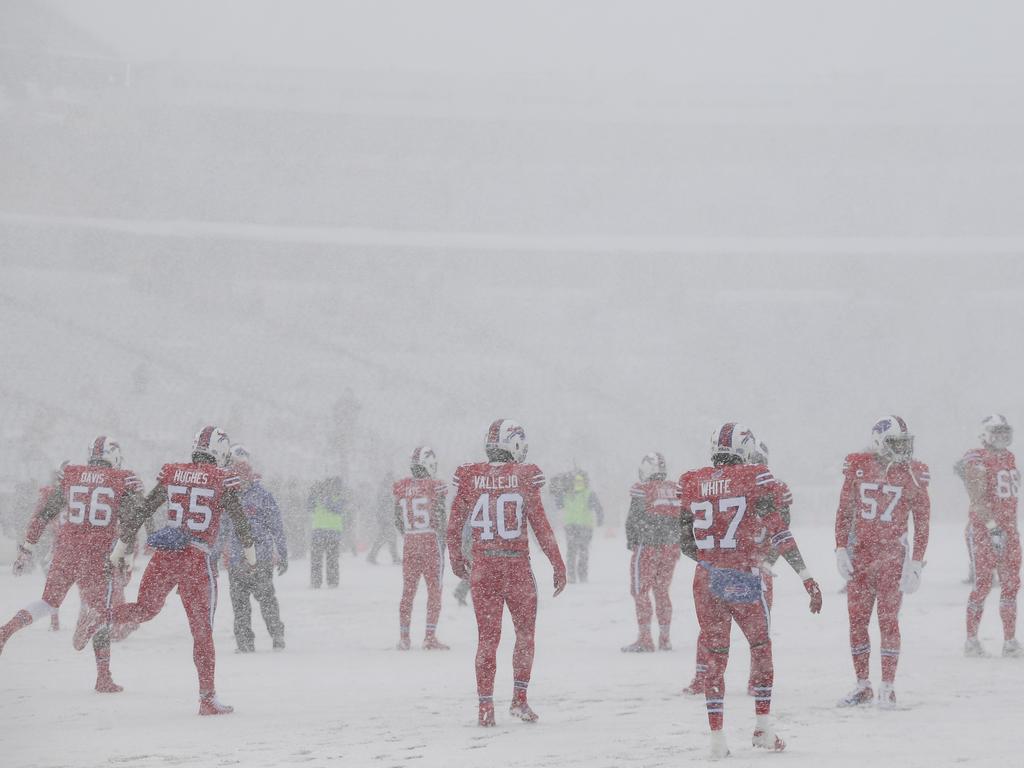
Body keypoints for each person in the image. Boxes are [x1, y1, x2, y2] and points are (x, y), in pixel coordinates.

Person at [82, 426, 256, 715]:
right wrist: (250, 554)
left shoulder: (174, 473)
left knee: (146, 608)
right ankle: (207, 698)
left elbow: (144, 510)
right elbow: (239, 520)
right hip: (196, 558)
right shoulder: (222, 479)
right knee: (202, 633)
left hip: (165, 554)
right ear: (221, 450)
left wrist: (122, 544)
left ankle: (102, 616)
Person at [679, 423, 822, 758]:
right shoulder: (754, 478)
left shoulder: (693, 481)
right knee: (760, 647)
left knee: (715, 657)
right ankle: (763, 727)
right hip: (744, 575)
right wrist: (806, 576)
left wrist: (713, 560)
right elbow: (779, 532)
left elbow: (686, 541)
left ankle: (717, 741)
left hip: (706, 578)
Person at [447, 419, 567, 726]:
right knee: (525, 635)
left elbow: (454, 525)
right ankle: (519, 699)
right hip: (516, 567)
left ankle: (485, 708)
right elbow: (540, 525)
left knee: (487, 639)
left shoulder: (470, 476)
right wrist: (556, 561)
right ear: (513, 443)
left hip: (484, 567)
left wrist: (456, 557)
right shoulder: (523, 476)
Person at [0, 437, 143, 693]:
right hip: (98, 554)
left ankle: (7, 629)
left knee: (48, 603)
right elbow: (131, 524)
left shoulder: (72, 475)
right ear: (115, 456)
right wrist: (128, 558)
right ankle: (103, 677)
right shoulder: (121, 479)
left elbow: (44, 514)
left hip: (66, 550)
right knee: (101, 612)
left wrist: (27, 549)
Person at [683, 438, 795, 696]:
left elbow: (781, 528)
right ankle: (705, 676)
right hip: (732, 562)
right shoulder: (731, 487)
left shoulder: (770, 488)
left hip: (755, 565)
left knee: (758, 630)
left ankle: (756, 681)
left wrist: (768, 560)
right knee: (715, 628)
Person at [834, 415, 930, 709]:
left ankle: (887, 686)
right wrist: (840, 547)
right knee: (857, 623)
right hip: (862, 556)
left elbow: (923, 520)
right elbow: (845, 511)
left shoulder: (912, 473)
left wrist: (916, 561)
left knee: (888, 622)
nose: (902, 448)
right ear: (878, 442)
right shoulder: (858, 466)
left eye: (904, 442)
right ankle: (862, 684)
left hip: (892, 558)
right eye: (895, 442)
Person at [955, 414, 1021, 657]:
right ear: (984, 434)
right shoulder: (977, 458)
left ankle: (1010, 640)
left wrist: (1006, 528)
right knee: (982, 585)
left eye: (1005, 431)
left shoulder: (1008, 457)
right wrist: (993, 527)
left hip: (1009, 529)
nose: (1002, 436)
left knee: (1012, 585)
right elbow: (978, 499)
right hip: (984, 530)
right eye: (996, 431)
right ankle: (971, 640)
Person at [218, 445, 288, 653]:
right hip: (236, 560)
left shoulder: (262, 496)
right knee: (239, 605)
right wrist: (212, 557)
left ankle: (277, 635)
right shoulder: (227, 497)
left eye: (243, 479)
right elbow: (221, 530)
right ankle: (244, 643)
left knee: (266, 600)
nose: (240, 483)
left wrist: (283, 554)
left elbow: (277, 526)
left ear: (250, 477)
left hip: (261, 559)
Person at [622, 452, 681, 652]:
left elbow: (634, 518)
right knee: (662, 591)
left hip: (647, 546)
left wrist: (632, 540)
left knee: (640, 591)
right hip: (671, 547)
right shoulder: (674, 489)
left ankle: (645, 638)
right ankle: (665, 638)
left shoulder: (643, 489)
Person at [393, 446, 449, 650]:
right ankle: (429, 636)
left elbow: (397, 519)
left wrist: (409, 533)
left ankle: (404, 637)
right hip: (430, 541)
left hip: (410, 540)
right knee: (434, 590)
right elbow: (441, 517)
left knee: (408, 591)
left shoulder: (402, 486)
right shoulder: (435, 486)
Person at [553, 469, 603, 583]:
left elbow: (558, 505)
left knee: (572, 551)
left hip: (572, 525)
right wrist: (600, 519)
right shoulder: (588, 493)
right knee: (583, 551)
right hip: (584, 525)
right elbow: (598, 508)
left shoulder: (566, 492)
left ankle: (572, 576)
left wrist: (559, 490)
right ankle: (582, 575)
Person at [309, 477, 344, 588]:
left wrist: (323, 498)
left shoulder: (336, 497)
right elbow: (309, 507)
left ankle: (328, 581)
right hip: (323, 532)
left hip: (328, 533)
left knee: (329, 559)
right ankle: (318, 581)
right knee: (320, 559)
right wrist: (312, 495)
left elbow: (337, 508)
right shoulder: (319, 497)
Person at [369, 472, 401, 565]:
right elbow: (384, 504)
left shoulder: (385, 488)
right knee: (387, 538)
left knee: (386, 538)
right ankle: (394, 558)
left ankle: (373, 556)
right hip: (385, 518)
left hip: (387, 517)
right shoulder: (385, 489)